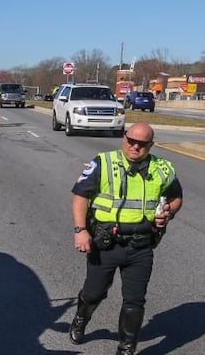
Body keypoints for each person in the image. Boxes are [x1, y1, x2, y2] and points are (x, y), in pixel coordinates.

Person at [69, 123, 183, 355]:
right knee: (94, 293)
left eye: (142, 144)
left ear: (150, 145)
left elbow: (176, 196)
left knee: (135, 301)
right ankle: (81, 317)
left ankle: (127, 347)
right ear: (124, 138)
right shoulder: (104, 163)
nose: (135, 147)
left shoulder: (162, 168)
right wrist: (81, 230)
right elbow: (81, 195)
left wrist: (168, 212)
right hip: (106, 245)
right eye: (131, 140)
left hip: (141, 245)